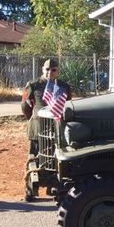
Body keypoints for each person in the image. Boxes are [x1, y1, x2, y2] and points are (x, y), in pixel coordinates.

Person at [21, 58, 71, 201]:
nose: (50, 72)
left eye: (53, 70)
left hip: (55, 128)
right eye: (47, 69)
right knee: (33, 158)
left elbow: (67, 105)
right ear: (42, 70)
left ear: (58, 71)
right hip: (37, 127)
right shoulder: (33, 85)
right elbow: (25, 106)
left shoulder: (63, 86)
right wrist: (33, 118)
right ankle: (30, 190)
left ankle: (54, 188)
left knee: (55, 159)